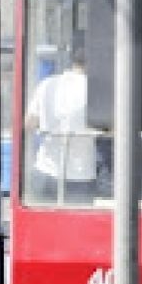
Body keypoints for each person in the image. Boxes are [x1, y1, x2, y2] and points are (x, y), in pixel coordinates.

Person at [24, 33, 95, 203]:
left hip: (45, 170)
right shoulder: (95, 90)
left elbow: (29, 124)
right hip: (80, 175)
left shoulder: (48, 84)